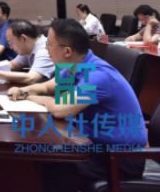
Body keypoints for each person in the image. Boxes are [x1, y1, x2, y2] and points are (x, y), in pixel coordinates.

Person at [8, 19, 146, 192]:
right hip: (96, 146)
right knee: (40, 157)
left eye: (50, 44)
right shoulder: (76, 66)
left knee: (50, 162)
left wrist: (32, 98)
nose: (46, 49)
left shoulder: (98, 75)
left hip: (120, 158)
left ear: (67, 51)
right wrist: (23, 90)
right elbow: (47, 87)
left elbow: (60, 109)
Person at [0, 18, 54, 83]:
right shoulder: (28, 47)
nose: (11, 47)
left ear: (23, 38)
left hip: (57, 95)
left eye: (11, 43)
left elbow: (31, 78)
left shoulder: (44, 50)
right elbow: (13, 64)